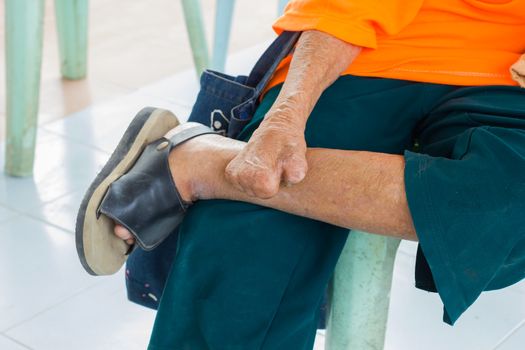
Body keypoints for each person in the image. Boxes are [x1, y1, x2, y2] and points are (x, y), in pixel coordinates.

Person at [76, 0, 525, 349]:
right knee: (248, 249)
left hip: (509, 81)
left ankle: (202, 163)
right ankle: (217, 171)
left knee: (507, 204)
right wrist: (290, 110)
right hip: (374, 49)